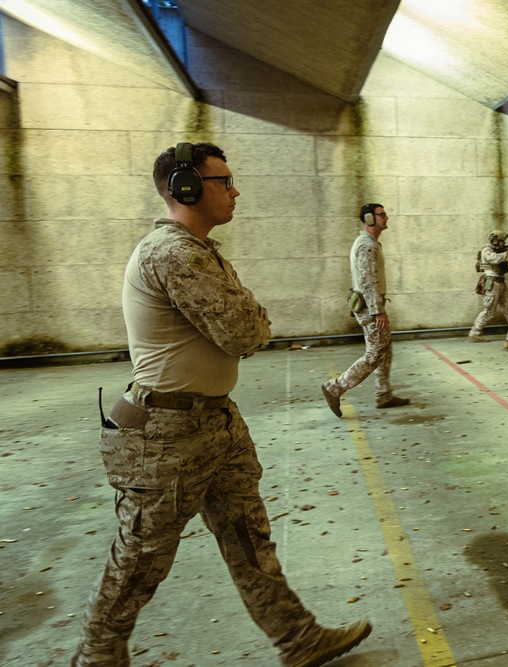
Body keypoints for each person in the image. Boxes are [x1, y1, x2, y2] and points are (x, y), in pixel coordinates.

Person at [74, 142, 371, 666]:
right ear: (184, 187)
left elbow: (244, 325)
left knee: (248, 539)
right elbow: (245, 330)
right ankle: (97, 659)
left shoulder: (199, 251)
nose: (235, 191)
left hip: (212, 421)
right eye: (224, 182)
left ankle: (298, 639)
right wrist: (252, 317)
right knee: (141, 559)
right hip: (164, 434)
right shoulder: (174, 253)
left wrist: (249, 317)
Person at [321, 203, 410, 417]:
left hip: (370, 304)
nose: (386, 218)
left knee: (385, 348)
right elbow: (367, 280)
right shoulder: (367, 245)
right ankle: (335, 387)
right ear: (369, 218)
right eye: (382, 215)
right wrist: (377, 311)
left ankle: (384, 394)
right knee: (374, 354)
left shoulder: (370, 243)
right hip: (370, 307)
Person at [468, 229, 508, 343]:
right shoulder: (487, 250)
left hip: (500, 282)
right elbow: (496, 259)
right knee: (489, 310)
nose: (503, 244)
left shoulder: (497, 250)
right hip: (492, 283)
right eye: (501, 241)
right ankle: (475, 332)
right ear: (494, 241)